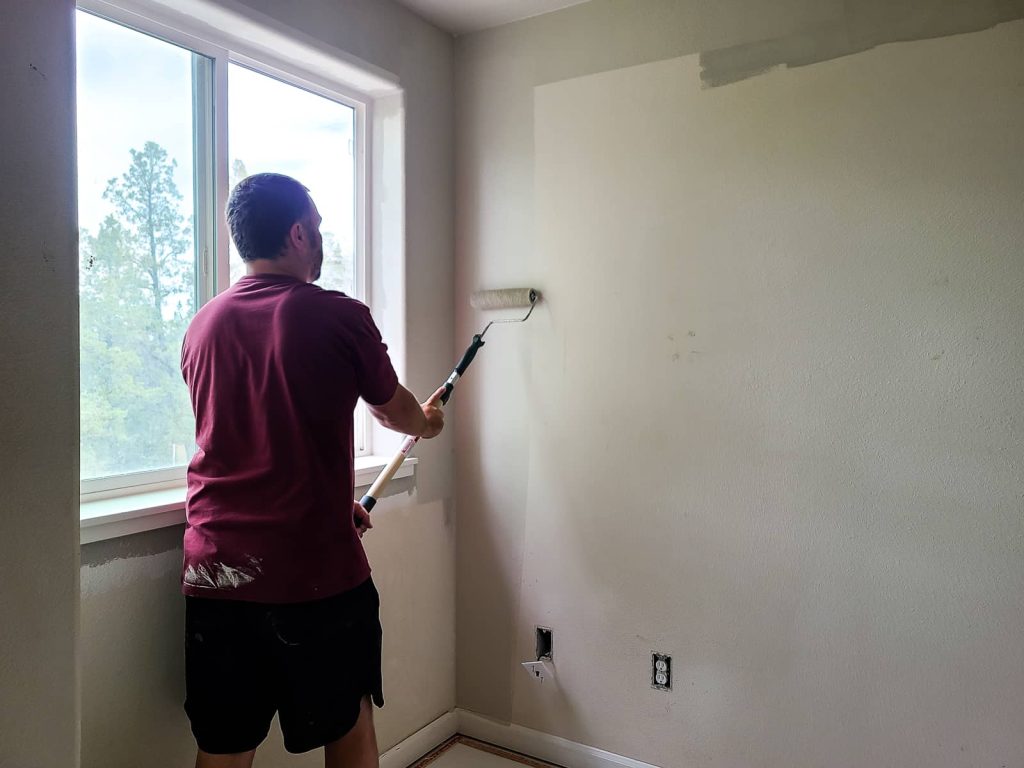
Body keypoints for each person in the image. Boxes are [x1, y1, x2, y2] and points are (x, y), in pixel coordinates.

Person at [180, 172, 444, 768]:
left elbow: (244, 441)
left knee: (222, 746)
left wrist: (327, 503)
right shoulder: (338, 315)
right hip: (315, 579)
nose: (321, 239)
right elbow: (393, 411)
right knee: (348, 728)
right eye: (319, 227)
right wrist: (427, 423)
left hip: (217, 576)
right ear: (297, 233)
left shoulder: (201, 325)